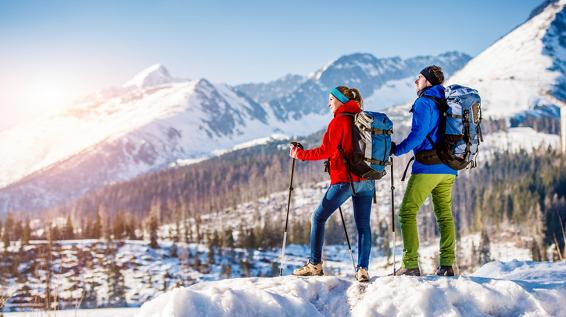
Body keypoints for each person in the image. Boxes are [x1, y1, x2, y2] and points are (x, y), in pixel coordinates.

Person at [289, 86, 375, 282]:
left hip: (345, 180)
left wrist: (299, 154)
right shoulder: (363, 118)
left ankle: (315, 264)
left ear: (341, 100)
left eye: (331, 99)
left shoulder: (339, 121)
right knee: (363, 225)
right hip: (368, 180)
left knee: (318, 217)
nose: (328, 103)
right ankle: (363, 269)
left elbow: (324, 151)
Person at [391, 65, 457, 276]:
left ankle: (410, 264)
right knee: (445, 216)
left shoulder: (424, 102)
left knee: (407, 212)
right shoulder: (446, 101)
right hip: (449, 167)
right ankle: (447, 265)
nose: (415, 81)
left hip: (428, 167)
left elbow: (418, 135)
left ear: (428, 80)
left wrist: (397, 150)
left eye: (418, 77)